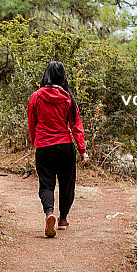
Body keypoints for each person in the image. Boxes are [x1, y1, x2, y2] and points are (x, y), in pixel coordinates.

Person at [27, 60, 88, 238]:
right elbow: (77, 126)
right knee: (66, 183)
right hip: (65, 147)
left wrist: (35, 141)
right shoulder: (68, 98)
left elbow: (32, 123)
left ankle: (49, 213)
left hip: (44, 146)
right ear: (62, 76)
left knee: (46, 183)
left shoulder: (36, 96)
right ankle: (63, 219)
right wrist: (83, 149)